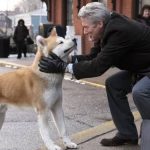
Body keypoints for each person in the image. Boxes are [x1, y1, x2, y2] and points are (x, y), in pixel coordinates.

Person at [39, 2, 150, 147]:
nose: (84, 32)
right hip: (142, 68)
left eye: (86, 27)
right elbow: (94, 57)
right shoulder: (107, 28)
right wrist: (67, 59)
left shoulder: (119, 31)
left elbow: (98, 66)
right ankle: (127, 134)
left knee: (140, 91)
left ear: (99, 24)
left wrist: (62, 67)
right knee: (113, 84)